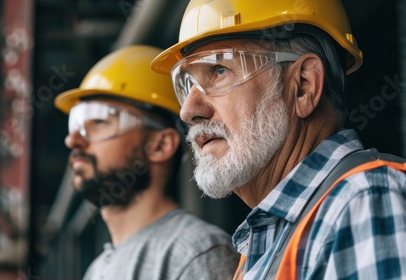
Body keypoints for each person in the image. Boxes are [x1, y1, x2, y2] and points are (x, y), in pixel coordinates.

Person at [151, 0, 406, 279]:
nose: (189, 111)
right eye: (186, 83)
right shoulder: (257, 247)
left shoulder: (363, 198)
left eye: (219, 70)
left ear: (303, 86)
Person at [54, 45, 239, 279]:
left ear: (161, 145)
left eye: (99, 121)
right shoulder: (97, 270)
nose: (73, 140)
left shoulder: (195, 255)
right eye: (76, 123)